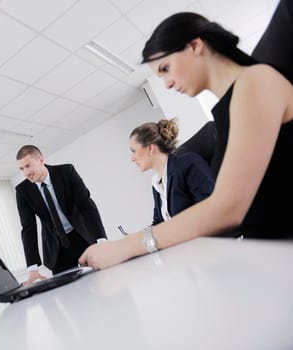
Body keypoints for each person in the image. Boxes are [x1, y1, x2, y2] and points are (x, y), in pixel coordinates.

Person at [79, 12, 293, 270]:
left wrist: (125, 246)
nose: (167, 83)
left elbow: (229, 207)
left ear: (195, 45)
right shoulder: (227, 109)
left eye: (165, 69)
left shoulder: (255, 81)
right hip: (267, 255)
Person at [15, 145, 107, 284]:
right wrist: (33, 268)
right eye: (22, 169)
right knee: (70, 295)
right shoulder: (23, 190)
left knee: (100, 281)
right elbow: (28, 228)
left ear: (40, 160)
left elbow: (86, 206)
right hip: (56, 249)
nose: (26, 173)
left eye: (28, 166)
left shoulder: (66, 172)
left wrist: (101, 240)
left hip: (82, 237)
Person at [129, 118, 214, 225]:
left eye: (134, 151)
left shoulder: (188, 163)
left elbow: (211, 208)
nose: (132, 158)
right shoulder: (157, 183)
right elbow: (158, 223)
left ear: (150, 148)